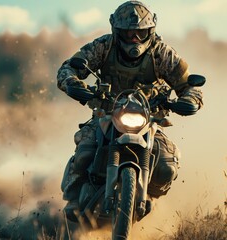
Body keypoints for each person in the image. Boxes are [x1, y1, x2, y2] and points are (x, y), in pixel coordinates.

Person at [57, 0, 204, 220]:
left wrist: (189, 100)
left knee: (167, 165)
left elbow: (188, 84)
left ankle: (149, 197)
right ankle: (74, 199)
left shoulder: (161, 52)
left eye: (140, 33)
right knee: (85, 151)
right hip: (106, 115)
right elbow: (69, 67)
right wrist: (73, 83)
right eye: (128, 34)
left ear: (150, 31)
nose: (134, 39)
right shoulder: (104, 47)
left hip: (149, 119)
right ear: (117, 32)